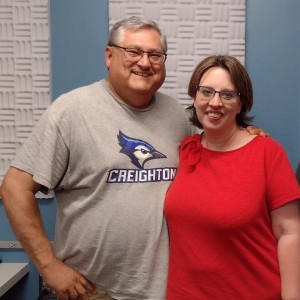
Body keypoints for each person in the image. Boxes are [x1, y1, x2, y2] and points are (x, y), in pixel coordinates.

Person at [0, 17, 265, 300]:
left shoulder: (177, 114)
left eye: (155, 55)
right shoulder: (70, 111)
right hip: (93, 291)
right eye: (134, 51)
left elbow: (216, 152)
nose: (144, 62)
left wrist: (245, 135)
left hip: (168, 290)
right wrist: (49, 265)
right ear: (109, 55)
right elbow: (14, 187)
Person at [164, 55, 300, 300]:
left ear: (241, 104)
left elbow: (290, 233)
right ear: (195, 97)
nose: (215, 102)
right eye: (206, 92)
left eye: (227, 95)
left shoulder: (267, 153)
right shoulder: (185, 150)